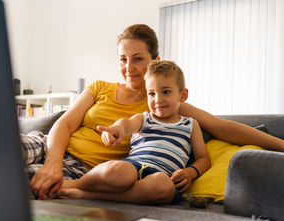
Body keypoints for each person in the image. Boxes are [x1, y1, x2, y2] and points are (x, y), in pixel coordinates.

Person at [24, 24, 284, 201]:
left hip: (84, 170)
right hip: (50, 147)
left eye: (137, 58)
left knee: (17, 187)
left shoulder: (164, 104)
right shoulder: (99, 87)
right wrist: (52, 163)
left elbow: (227, 128)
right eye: (122, 59)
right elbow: (63, 124)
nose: (128, 68)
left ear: (155, 59)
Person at [56, 60, 210, 203]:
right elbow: (127, 124)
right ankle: (76, 184)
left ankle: (87, 196)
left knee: (162, 185)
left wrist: (190, 173)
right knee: (118, 170)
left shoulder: (190, 125)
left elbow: (203, 158)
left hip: (164, 176)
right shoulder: (144, 118)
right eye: (152, 93)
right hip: (133, 166)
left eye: (166, 92)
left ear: (183, 95)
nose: (158, 99)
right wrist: (117, 129)